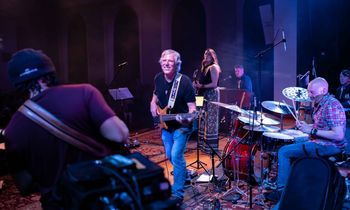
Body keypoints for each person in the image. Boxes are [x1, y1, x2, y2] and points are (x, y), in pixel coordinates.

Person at [3, 48, 129, 209]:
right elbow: (119, 135)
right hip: (100, 196)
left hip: (59, 203)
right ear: (49, 70)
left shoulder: (13, 129)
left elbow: (24, 185)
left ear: (16, 83)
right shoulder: (84, 92)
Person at [268, 77, 347, 207]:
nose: (309, 95)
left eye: (312, 92)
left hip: (329, 146)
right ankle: (296, 182)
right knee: (290, 139)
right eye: (309, 91)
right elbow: (322, 127)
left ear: (323, 90)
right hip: (320, 141)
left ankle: (282, 191)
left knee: (283, 152)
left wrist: (312, 131)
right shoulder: (321, 103)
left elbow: (338, 135)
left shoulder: (332, 105)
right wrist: (307, 127)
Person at [150, 49, 196, 203]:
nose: (166, 63)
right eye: (164, 61)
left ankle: (177, 194)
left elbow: (192, 110)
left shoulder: (185, 82)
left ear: (177, 64)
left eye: (170, 61)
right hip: (166, 125)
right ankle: (185, 175)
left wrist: (187, 120)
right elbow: (155, 97)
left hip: (181, 126)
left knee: (176, 156)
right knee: (170, 156)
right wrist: (152, 105)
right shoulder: (158, 78)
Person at [193, 48, 221, 153]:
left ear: (212, 56)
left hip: (211, 95)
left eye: (208, 54)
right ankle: (203, 146)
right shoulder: (204, 67)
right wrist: (197, 85)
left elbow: (214, 84)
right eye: (205, 54)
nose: (206, 56)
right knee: (202, 118)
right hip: (202, 94)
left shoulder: (214, 67)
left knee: (210, 121)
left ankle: (211, 148)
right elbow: (202, 82)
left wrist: (201, 85)